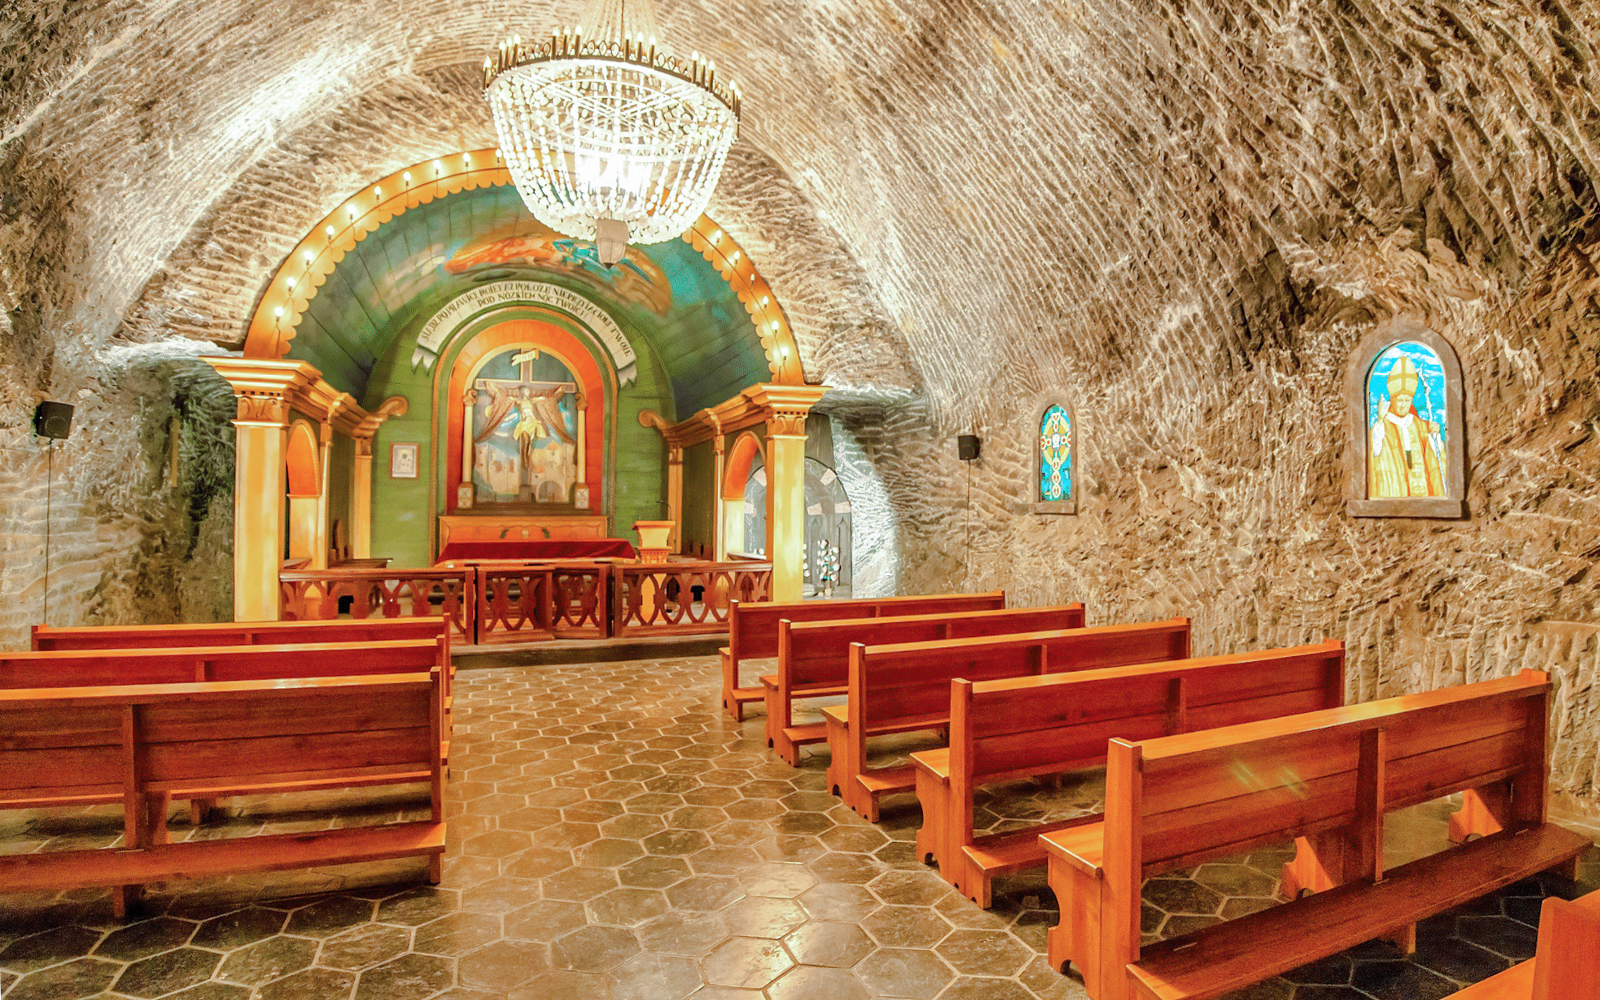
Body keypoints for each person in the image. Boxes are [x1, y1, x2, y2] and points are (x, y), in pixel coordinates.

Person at [1369, 356, 1445, 498]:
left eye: (1407, 400)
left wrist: (1434, 435)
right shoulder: (1383, 425)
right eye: (1400, 400)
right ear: (1392, 400)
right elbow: (1374, 450)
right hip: (1396, 489)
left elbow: (1435, 455)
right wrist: (1379, 419)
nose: (1403, 404)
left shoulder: (1421, 425)